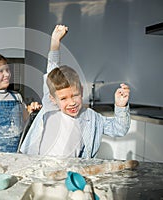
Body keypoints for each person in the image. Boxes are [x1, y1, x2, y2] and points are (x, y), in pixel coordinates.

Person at [20, 25, 131, 158]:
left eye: (75, 95)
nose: (71, 102)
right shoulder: (50, 108)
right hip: (39, 170)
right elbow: (52, 69)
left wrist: (120, 106)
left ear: (82, 91)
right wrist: (55, 42)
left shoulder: (91, 118)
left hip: (71, 174)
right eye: (63, 98)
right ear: (53, 99)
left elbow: (119, 129)